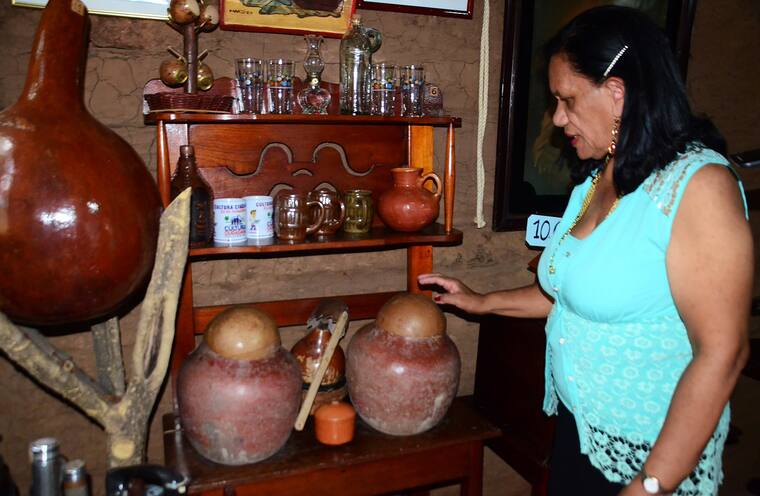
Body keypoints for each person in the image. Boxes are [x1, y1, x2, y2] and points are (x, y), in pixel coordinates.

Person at [419, 6, 752, 496]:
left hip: (653, 454)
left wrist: (650, 484)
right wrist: (482, 301)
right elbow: (573, 294)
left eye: (567, 100)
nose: (557, 118)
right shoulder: (595, 181)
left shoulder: (697, 186)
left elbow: (723, 353)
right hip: (582, 432)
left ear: (617, 92)